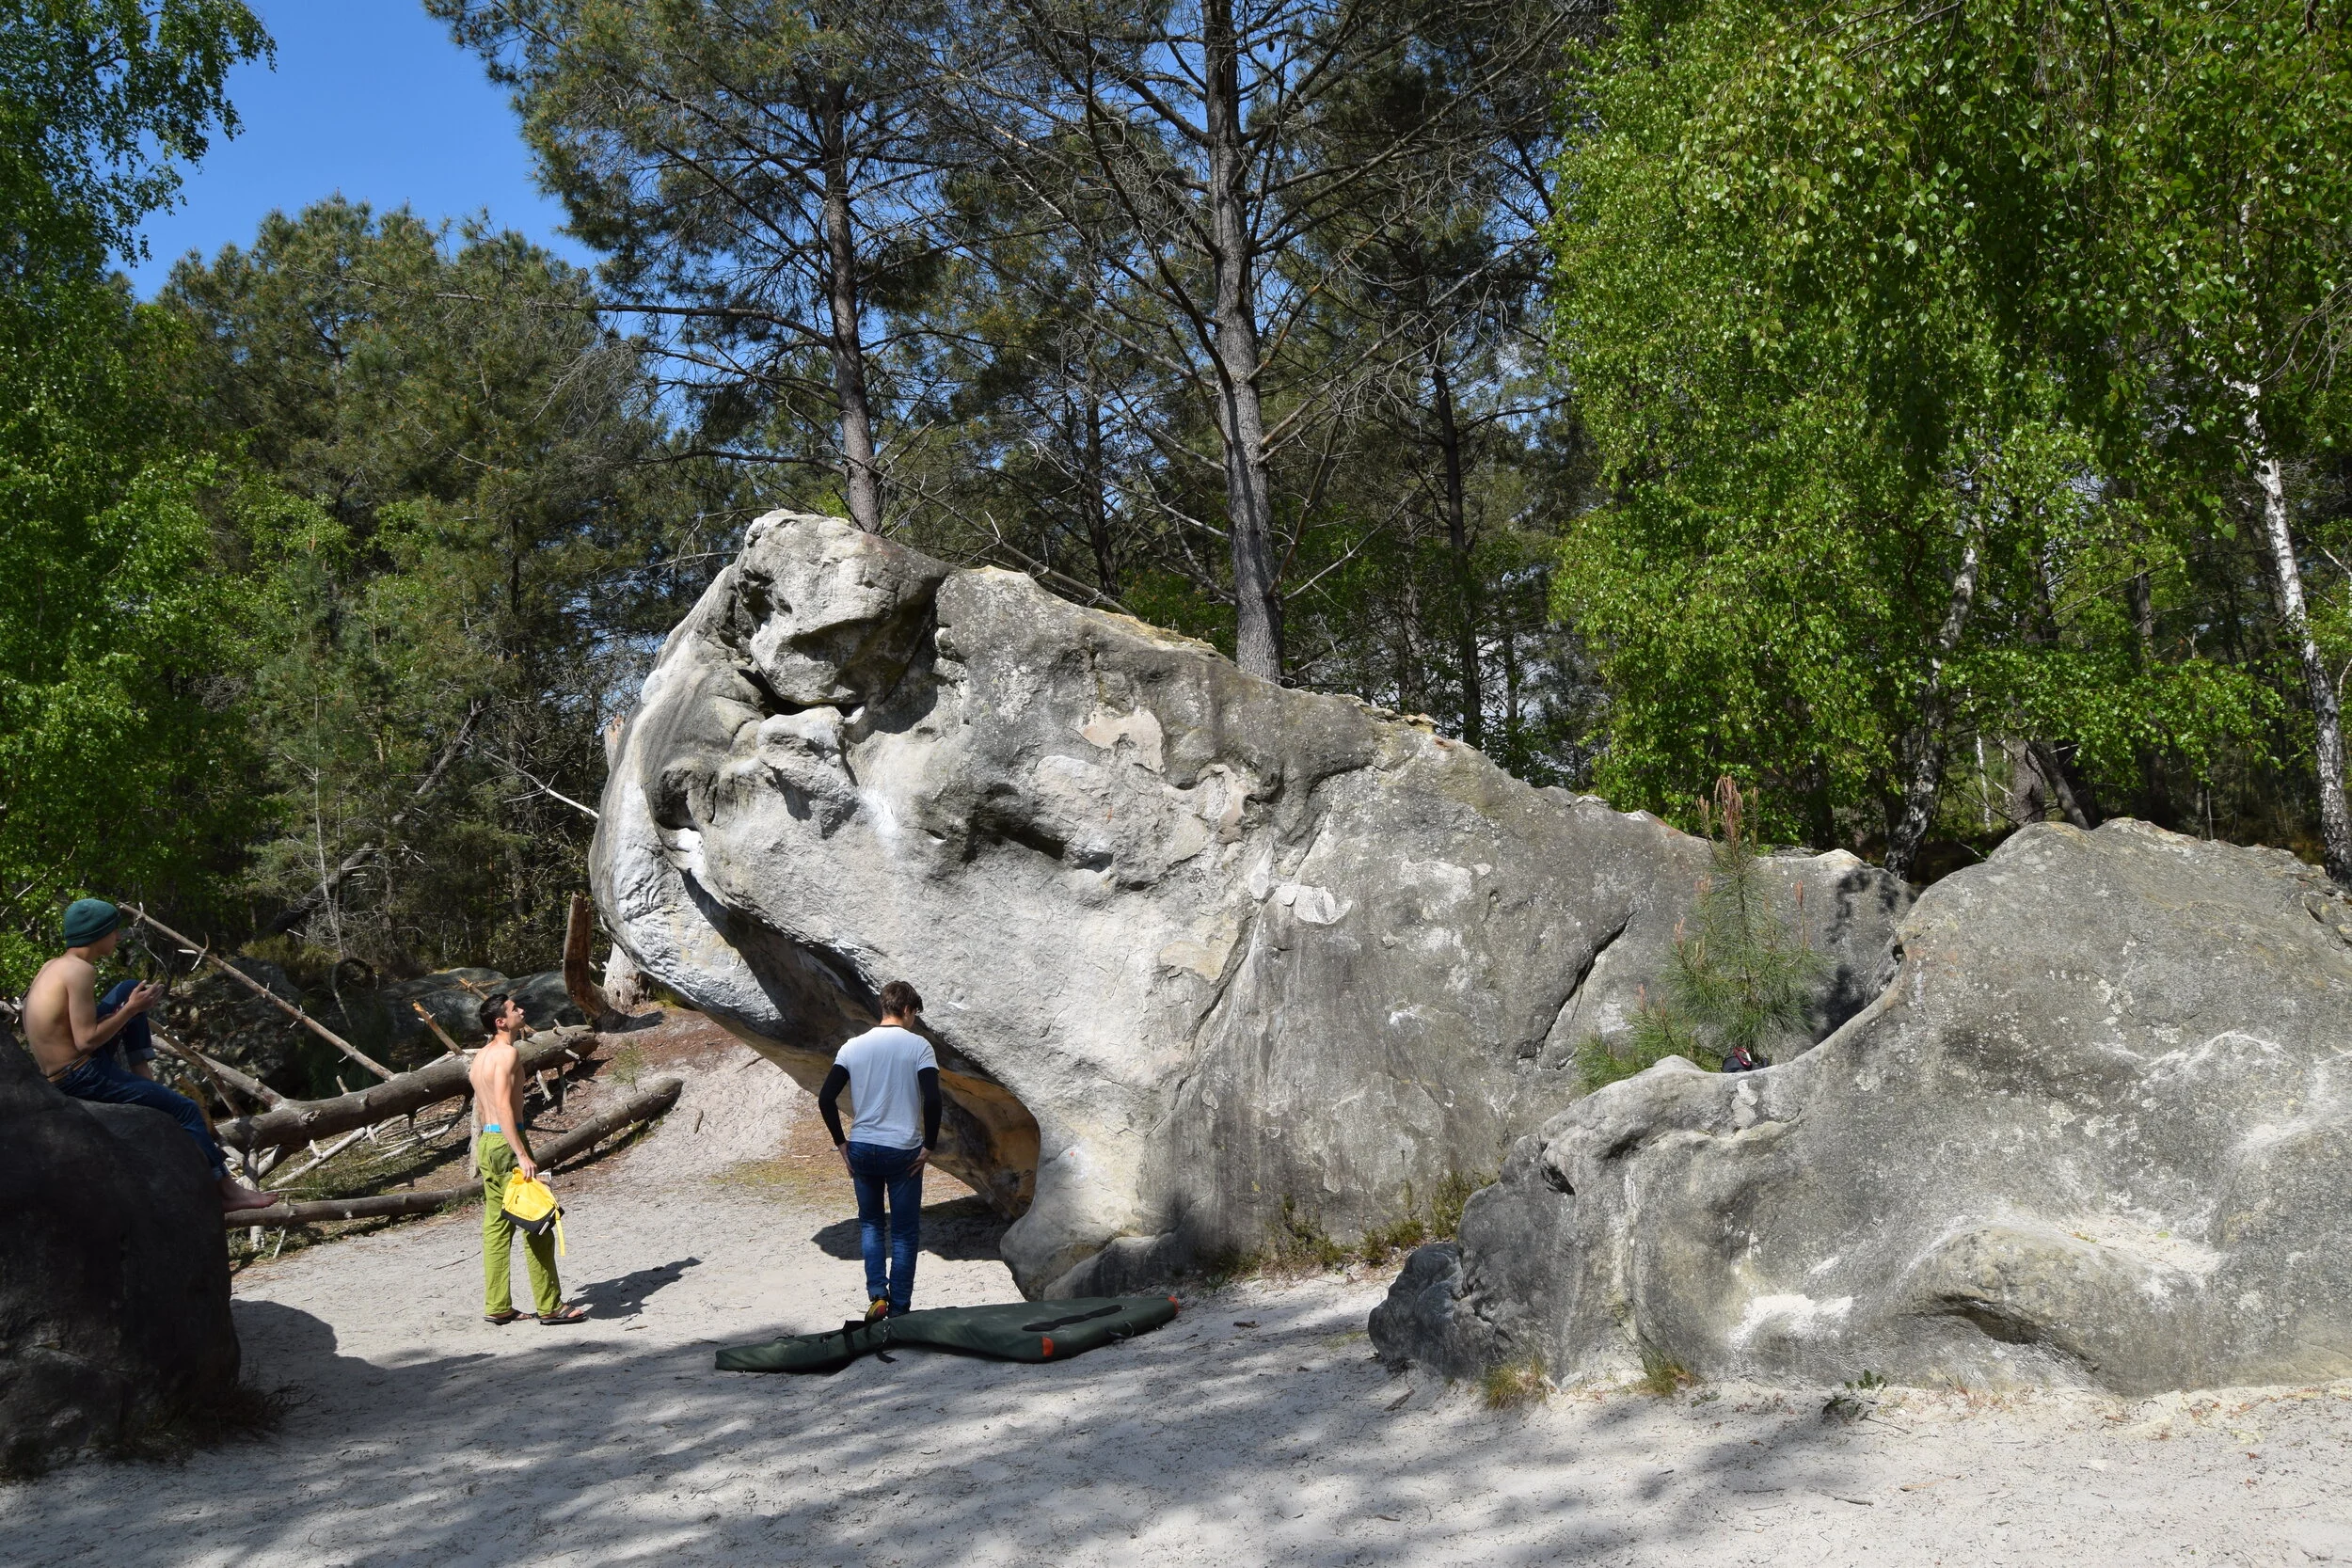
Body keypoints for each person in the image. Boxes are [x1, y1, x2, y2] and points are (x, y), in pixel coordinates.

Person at [24, 898, 281, 1214]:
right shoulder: (79, 971)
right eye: (113, 931)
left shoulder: (55, 965)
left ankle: (141, 1075)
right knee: (185, 1110)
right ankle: (227, 1192)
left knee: (129, 988)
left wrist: (130, 1004)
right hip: (78, 1074)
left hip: (60, 1071)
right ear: (98, 934)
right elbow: (87, 1040)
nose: (117, 938)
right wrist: (132, 1009)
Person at [818, 980, 943, 1321]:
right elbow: (932, 1099)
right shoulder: (919, 1047)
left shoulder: (852, 1047)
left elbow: (826, 1098)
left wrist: (841, 1143)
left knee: (871, 1225)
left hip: (862, 1146)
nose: (914, 1019)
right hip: (903, 1151)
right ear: (906, 1010)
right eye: (915, 1012)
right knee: (903, 1232)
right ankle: (899, 1308)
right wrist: (929, 1145)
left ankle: (878, 1296)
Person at [469, 991, 585, 1325]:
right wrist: (520, 1152)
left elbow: (482, 1107)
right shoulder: (506, 1054)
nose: (521, 1011)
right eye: (514, 1009)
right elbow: (504, 1106)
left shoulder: (480, 1058)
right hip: (508, 1144)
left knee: (496, 1225)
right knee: (537, 1222)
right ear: (500, 1022)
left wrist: (487, 1147)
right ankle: (550, 1307)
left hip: (489, 1143)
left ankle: (497, 1305)